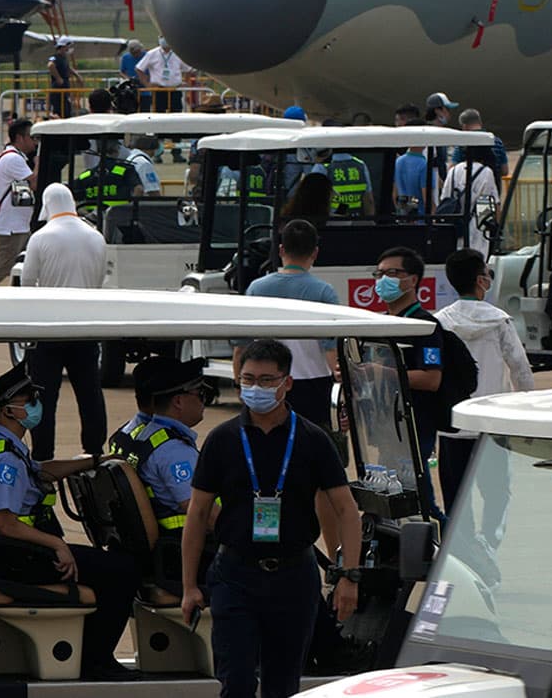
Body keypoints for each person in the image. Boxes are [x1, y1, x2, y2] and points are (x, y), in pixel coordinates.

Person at [181, 339, 365, 698]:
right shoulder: (222, 440)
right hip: (235, 576)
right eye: (248, 379)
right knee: (236, 681)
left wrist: (349, 577)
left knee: (283, 683)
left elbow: (346, 510)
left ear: (287, 383)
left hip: (294, 578)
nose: (256, 388)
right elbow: (197, 514)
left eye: (267, 380)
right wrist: (190, 586)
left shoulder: (313, 440)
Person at [0, 368, 139, 679]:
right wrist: (57, 544)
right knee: (122, 571)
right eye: (29, 399)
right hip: (21, 559)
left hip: (17, 554)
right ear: (8, 410)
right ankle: (95, 661)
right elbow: (5, 522)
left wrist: (93, 460)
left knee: (110, 565)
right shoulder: (4, 460)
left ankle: (91, 655)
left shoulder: (1, 445)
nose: (36, 404)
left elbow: (40, 471)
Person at [104, 355, 212, 595]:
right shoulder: (172, 450)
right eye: (200, 393)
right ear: (179, 401)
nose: (205, 400)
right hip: (187, 553)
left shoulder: (125, 435)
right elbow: (200, 510)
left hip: (156, 551)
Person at [436, 247, 533, 507]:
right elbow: (520, 369)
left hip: (452, 424)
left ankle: (458, 546)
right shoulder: (500, 321)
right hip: (492, 424)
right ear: (481, 280)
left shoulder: (440, 322)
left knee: (455, 501)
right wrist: (525, 409)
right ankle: (491, 544)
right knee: (496, 496)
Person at [23, 181, 111, 457]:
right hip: (84, 329)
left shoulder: (41, 237)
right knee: (90, 393)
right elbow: (98, 282)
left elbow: (27, 284)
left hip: (49, 331)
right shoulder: (96, 236)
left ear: (47, 205)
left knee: (44, 397)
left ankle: (43, 454)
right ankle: (94, 450)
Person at [374, 246, 476, 482]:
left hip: (414, 425)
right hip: (386, 425)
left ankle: (442, 521)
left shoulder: (424, 326)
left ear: (412, 280)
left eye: (392, 273)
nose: (383, 281)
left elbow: (431, 379)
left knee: (418, 495)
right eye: (379, 275)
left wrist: (380, 372)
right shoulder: (383, 323)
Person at [244, 219, 343, 427]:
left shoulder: (256, 289)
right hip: (314, 385)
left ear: (281, 250)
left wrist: (241, 382)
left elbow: (243, 344)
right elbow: (331, 347)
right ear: (314, 253)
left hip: (267, 382)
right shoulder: (324, 292)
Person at [0, 118, 40, 286]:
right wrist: (38, 163)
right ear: (20, 138)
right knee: (2, 268)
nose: (34, 142)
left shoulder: (13, 157)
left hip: (16, 225)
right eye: (31, 137)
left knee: (21, 266)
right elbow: (33, 183)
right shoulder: (13, 159)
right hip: (11, 227)